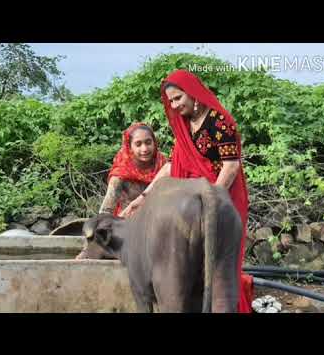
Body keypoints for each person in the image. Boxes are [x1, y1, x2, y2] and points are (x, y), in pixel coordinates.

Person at [120, 69, 254, 313]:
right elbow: (173, 166)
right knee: (191, 265)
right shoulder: (184, 125)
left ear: (193, 93)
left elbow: (231, 166)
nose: (174, 104)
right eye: (170, 100)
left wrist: (212, 200)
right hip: (188, 201)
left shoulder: (219, 121)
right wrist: (143, 198)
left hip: (220, 198)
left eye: (178, 98)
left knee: (220, 267)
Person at [75, 122, 167, 259]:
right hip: (126, 228)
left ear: (155, 142)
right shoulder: (121, 173)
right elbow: (106, 211)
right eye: (138, 144)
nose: (144, 149)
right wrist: (91, 245)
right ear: (129, 147)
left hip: (159, 225)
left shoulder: (164, 165)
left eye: (148, 142)